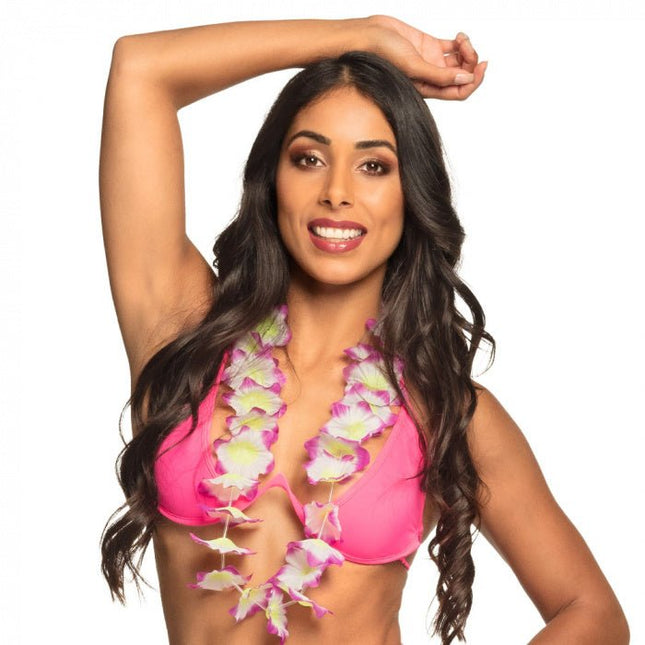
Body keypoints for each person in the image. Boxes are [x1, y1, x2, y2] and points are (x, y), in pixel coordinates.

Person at [98, 15, 629, 645]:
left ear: (412, 194)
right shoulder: (186, 335)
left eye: (374, 166)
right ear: (274, 180)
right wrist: (362, 36)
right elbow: (141, 69)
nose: (337, 192)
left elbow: (591, 613)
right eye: (309, 158)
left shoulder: (441, 409)